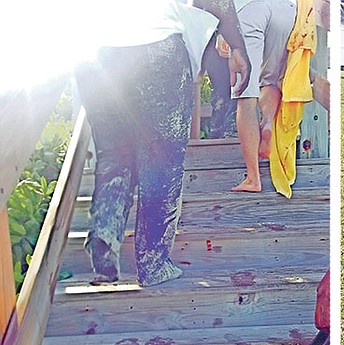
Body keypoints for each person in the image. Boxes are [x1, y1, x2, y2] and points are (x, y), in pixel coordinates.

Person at [74, 0, 250, 286]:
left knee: (114, 155)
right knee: (161, 161)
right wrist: (237, 46)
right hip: (157, 43)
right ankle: (152, 263)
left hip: (98, 53)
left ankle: (105, 235)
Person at [229, 0, 298, 192]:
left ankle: (253, 178)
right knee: (270, 79)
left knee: (246, 93)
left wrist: (223, 31)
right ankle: (267, 122)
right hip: (286, 9)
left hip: (248, 8)